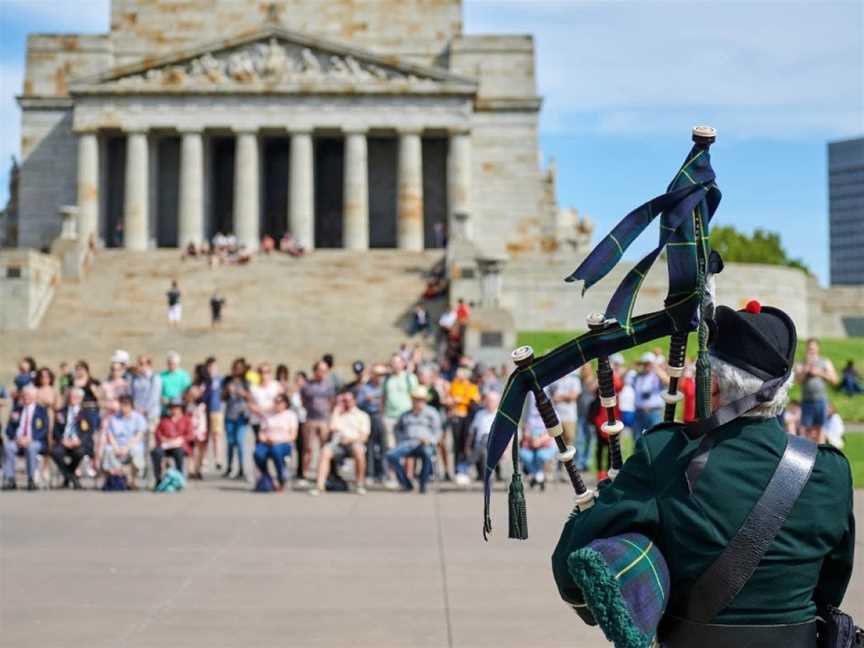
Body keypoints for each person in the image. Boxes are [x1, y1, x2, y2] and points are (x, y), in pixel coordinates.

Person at [552, 303, 855, 646]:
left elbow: (570, 573)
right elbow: (831, 589)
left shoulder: (665, 454)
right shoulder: (830, 470)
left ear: (711, 389)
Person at [310, 391, 371, 496]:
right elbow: (332, 428)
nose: (345, 403)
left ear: (354, 401)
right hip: (338, 444)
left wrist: (350, 439)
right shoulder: (338, 414)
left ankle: (359, 484)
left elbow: (364, 437)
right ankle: (319, 485)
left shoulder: (362, 415)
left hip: (354, 443)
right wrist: (336, 411)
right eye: (343, 401)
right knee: (325, 451)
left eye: (348, 400)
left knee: (359, 450)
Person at [386, 387, 442, 493]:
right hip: (408, 443)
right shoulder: (406, 414)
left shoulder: (432, 413)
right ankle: (406, 483)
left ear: (425, 400)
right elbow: (397, 429)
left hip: (425, 443)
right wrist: (401, 439)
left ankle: (423, 483)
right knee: (391, 455)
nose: (418, 402)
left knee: (427, 453)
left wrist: (430, 440)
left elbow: (438, 431)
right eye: (416, 399)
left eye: (421, 399)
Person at [3, 385, 50, 490]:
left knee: (31, 448)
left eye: (27, 396)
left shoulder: (41, 410)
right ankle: (10, 479)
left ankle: (31, 479)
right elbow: (9, 428)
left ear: (34, 397)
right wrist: (16, 438)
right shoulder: (17, 409)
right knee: (8, 447)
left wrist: (30, 438)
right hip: (18, 440)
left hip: (34, 440)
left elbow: (44, 429)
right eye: (23, 395)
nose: (25, 398)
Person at [50, 387, 98, 489]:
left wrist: (79, 441)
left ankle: (68, 477)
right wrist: (62, 440)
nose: (73, 399)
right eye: (71, 397)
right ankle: (73, 478)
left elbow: (88, 432)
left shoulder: (86, 414)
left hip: (79, 443)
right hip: (64, 442)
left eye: (76, 397)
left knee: (79, 452)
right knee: (55, 452)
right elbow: (55, 430)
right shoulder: (61, 412)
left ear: (81, 399)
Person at [382, 354, 419, 484]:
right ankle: (393, 476)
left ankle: (408, 476)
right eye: (393, 362)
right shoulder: (387, 379)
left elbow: (416, 396)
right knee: (391, 448)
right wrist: (383, 414)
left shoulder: (410, 378)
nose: (395, 365)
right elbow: (383, 397)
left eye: (398, 362)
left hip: (407, 417)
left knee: (408, 447)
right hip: (390, 417)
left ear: (403, 364)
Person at [795, 338, 838, 443]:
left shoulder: (825, 362)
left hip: (821, 400)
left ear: (818, 349)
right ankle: (808, 454)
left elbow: (835, 380)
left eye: (813, 349)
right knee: (806, 429)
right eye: (809, 348)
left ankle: (820, 454)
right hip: (807, 400)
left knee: (820, 428)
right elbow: (797, 381)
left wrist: (819, 373)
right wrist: (806, 370)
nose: (811, 351)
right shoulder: (802, 363)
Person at [252, 393, 298, 491]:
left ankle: (281, 477)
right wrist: (265, 439)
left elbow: (293, 436)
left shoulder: (290, 415)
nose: (277, 404)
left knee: (276, 451)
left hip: (283, 443)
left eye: (280, 402)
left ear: (285, 403)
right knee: (258, 453)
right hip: (267, 442)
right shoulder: (268, 415)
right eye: (275, 402)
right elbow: (261, 432)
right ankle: (267, 476)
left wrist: (277, 441)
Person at [299, 360, 335, 482]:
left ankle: (323, 474)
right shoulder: (307, 385)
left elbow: (331, 401)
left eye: (325, 370)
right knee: (308, 448)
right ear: (315, 371)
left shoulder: (329, 385)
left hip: (324, 420)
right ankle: (305, 474)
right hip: (311, 419)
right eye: (320, 370)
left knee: (324, 448)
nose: (323, 373)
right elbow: (303, 401)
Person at [99, 394, 147, 486]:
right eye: (122, 405)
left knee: (136, 450)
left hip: (132, 444)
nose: (123, 407)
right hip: (117, 445)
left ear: (131, 406)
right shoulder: (114, 418)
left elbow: (139, 436)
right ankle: (114, 479)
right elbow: (110, 435)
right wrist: (116, 447)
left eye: (126, 405)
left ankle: (133, 479)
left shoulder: (138, 418)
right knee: (108, 450)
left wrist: (126, 447)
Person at [448, 366, 480, 482]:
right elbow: (450, 397)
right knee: (457, 444)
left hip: (467, 418)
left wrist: (460, 400)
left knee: (466, 444)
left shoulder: (471, 386)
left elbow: (474, 399)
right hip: (456, 417)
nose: (459, 375)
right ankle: (457, 470)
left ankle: (465, 469)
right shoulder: (455, 384)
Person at [130, 355, 162, 475]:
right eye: (139, 363)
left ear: (149, 365)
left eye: (142, 364)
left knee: (150, 443)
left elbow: (154, 397)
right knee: (138, 443)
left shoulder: (155, 378)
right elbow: (132, 396)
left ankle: (150, 471)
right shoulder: (135, 379)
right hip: (137, 415)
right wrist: (135, 410)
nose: (139, 366)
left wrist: (144, 410)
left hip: (151, 416)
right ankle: (139, 469)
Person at [520, 393, 556, 490]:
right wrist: (531, 439)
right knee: (524, 454)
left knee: (541, 456)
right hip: (531, 444)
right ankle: (539, 475)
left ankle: (535, 476)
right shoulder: (530, 417)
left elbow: (553, 432)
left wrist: (540, 441)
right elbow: (526, 431)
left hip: (547, 444)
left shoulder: (553, 414)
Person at [356, 364, 387, 482]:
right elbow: (358, 403)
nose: (380, 378)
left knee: (384, 446)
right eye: (378, 375)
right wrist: (366, 400)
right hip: (370, 416)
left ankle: (383, 473)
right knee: (370, 446)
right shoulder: (365, 388)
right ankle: (370, 473)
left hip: (381, 416)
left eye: (382, 375)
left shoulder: (384, 387)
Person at [151, 399, 191, 486]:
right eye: (172, 407)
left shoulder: (186, 420)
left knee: (178, 452)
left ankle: (179, 477)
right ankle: (158, 479)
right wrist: (164, 439)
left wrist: (180, 440)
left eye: (176, 407)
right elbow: (157, 433)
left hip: (179, 445)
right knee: (156, 452)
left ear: (181, 408)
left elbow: (190, 435)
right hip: (166, 445)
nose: (174, 409)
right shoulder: (164, 420)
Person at [222, 359, 250, 480]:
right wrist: (227, 390)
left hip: (241, 416)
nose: (237, 370)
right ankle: (229, 467)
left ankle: (241, 469)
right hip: (229, 415)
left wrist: (242, 392)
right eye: (235, 367)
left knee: (239, 441)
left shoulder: (246, 382)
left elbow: (251, 397)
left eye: (239, 368)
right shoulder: (227, 380)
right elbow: (221, 397)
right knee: (230, 442)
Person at [631, 352, 665, 440]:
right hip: (639, 413)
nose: (646, 366)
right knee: (638, 441)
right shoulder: (638, 376)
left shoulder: (657, 376)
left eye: (648, 363)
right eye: (645, 364)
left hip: (654, 412)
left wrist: (655, 367)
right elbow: (624, 379)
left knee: (656, 440)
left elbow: (667, 381)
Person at [203, 357, 225, 473]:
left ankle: (218, 460)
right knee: (205, 437)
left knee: (217, 436)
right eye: (210, 367)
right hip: (205, 412)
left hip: (217, 411)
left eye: (214, 367)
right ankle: (204, 460)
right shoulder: (205, 380)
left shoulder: (220, 379)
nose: (212, 369)